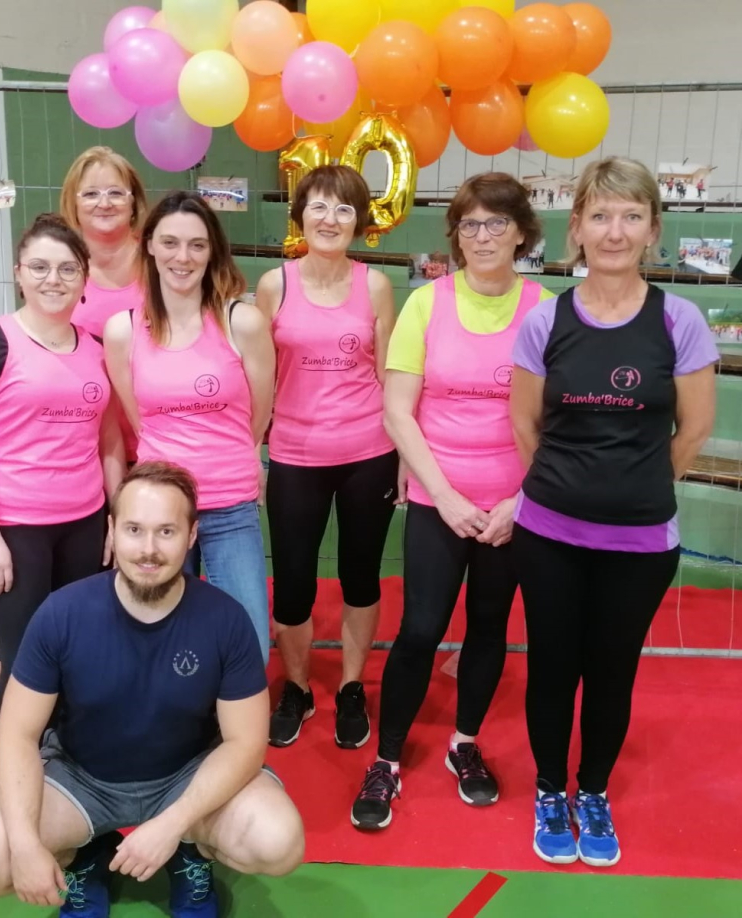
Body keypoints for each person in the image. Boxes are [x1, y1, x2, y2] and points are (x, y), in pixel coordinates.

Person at [0, 461, 304, 918]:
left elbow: (247, 742)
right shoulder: (62, 615)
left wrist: (174, 825)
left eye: (166, 532)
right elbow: (16, 735)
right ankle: (82, 855)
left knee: (279, 843)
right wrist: (27, 845)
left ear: (192, 536)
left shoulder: (225, 620)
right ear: (111, 531)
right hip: (80, 780)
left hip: (185, 776)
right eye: (134, 529)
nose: (148, 549)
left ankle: (192, 852)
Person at [509, 157, 717, 868]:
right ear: (578, 230)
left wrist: (632, 487)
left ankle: (591, 790)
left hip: (641, 542)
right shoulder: (546, 321)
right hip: (548, 535)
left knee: (612, 670)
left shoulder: (680, 321)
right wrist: (572, 486)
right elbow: (524, 428)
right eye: (600, 215)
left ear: (653, 230)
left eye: (631, 216)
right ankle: (548, 789)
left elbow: (691, 433)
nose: (615, 230)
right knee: (552, 667)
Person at [350, 174, 550, 831]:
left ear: (522, 232)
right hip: (442, 501)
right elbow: (397, 410)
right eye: (470, 225)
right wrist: (441, 494)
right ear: (455, 234)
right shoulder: (426, 305)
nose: (482, 236)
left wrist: (520, 502)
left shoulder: (546, 311)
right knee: (420, 629)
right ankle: (386, 758)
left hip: (513, 509)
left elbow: (559, 423)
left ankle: (465, 743)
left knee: (489, 627)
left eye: (496, 224)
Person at [0, 213, 125, 788]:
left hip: (82, 524)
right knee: (24, 667)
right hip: (17, 530)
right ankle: (4, 791)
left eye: (67, 269)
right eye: (41, 267)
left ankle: (67, 774)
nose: (55, 279)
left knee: (77, 656)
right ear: (19, 273)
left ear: (84, 279)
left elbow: (108, 441)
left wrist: (115, 516)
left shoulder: (95, 348)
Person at [254, 166, 397, 749]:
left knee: (361, 576)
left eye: (343, 209)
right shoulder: (273, 285)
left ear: (358, 222)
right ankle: (297, 686)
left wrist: (406, 457)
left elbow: (391, 377)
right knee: (292, 583)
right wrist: (249, 446)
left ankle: (352, 685)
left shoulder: (377, 287)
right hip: (294, 453)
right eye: (318, 207)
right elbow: (259, 377)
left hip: (369, 451)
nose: (330, 219)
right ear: (300, 216)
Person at [104, 191, 275, 663]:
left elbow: (258, 417)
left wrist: (229, 458)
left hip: (229, 508)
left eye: (197, 245)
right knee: (158, 645)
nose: (184, 257)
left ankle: (233, 733)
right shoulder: (123, 330)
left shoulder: (242, 322)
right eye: (171, 242)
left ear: (213, 252)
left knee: (248, 650)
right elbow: (137, 418)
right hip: (159, 514)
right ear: (151, 248)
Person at [60, 146, 148, 338]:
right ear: (73, 205)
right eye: (91, 194)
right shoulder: (57, 268)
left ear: (133, 202)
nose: (105, 204)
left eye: (115, 193)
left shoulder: (159, 259)